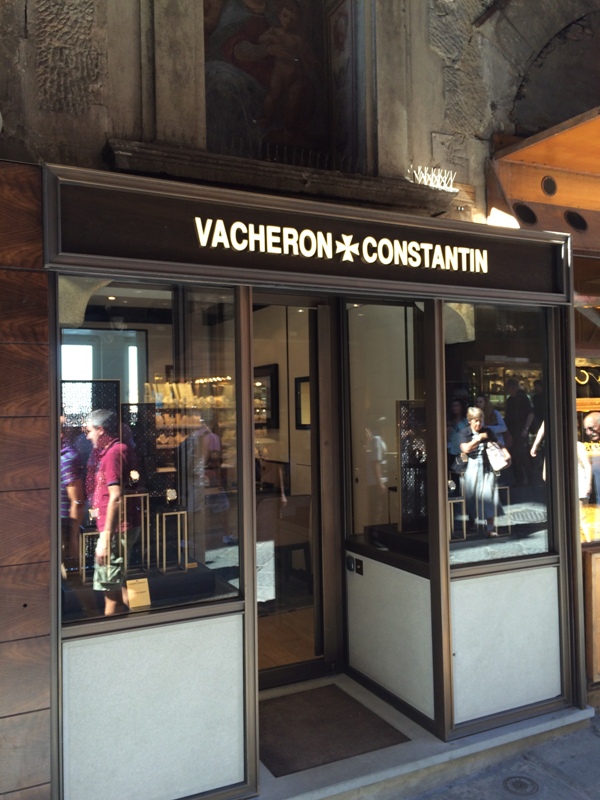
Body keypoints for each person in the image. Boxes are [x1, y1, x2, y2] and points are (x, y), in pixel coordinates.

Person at [86, 409, 140, 616]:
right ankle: (145, 621)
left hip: (116, 530)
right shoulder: (118, 450)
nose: (87, 436)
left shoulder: (113, 453)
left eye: (89, 431)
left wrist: (105, 539)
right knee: (118, 584)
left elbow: (116, 496)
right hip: (120, 527)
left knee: (110, 590)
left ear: (100, 430)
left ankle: (108, 631)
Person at [258, 0, 317, 141]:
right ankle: (267, 118)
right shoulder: (275, 31)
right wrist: (270, 38)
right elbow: (261, 39)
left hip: (296, 74)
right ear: (279, 15)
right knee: (273, 95)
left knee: (293, 102)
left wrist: (313, 61)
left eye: (292, 19)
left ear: (297, 21)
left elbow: (307, 54)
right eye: (285, 16)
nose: (288, 21)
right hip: (279, 71)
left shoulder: (298, 39)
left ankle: (288, 129)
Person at [460, 406, 511, 537]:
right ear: (470, 421)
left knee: (489, 497)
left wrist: (506, 454)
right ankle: (472, 523)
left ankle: (490, 528)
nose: (478, 423)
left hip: (487, 468)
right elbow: (465, 449)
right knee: (471, 497)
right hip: (472, 468)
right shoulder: (465, 433)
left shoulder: (487, 431)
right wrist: (478, 439)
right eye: (476, 420)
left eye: (480, 420)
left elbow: (498, 443)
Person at [60, 421, 85, 575]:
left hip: (64, 523)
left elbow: (77, 499)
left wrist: (73, 535)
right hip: (60, 521)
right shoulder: (61, 455)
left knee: (66, 575)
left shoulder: (66, 458)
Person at [504, 378, 534, 486]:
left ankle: (529, 478)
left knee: (523, 455)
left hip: (521, 430)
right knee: (514, 455)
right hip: (513, 431)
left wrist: (526, 428)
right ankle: (520, 479)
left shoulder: (523, 398)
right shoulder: (510, 400)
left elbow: (530, 414)